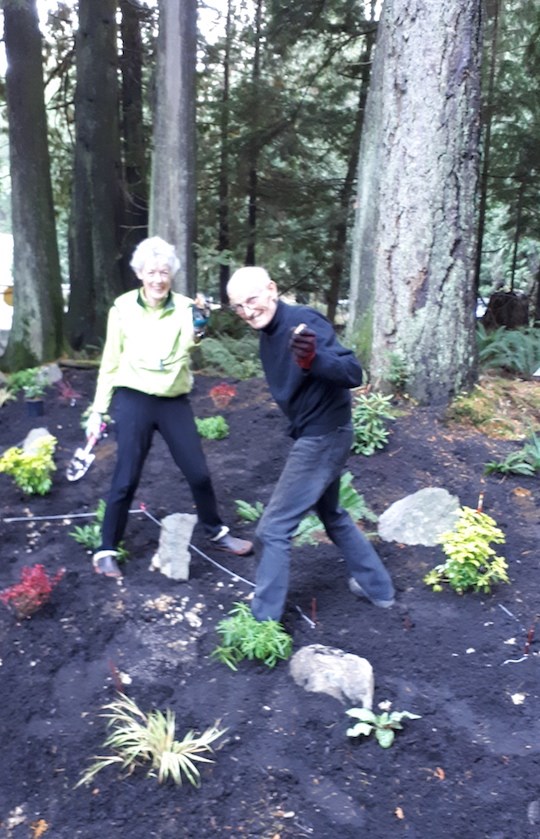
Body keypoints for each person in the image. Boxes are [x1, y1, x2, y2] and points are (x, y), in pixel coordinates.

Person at [226, 266, 395, 621]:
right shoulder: (268, 334)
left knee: (272, 530)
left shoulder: (302, 321)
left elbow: (353, 373)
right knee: (332, 514)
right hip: (316, 433)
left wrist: (314, 359)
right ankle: (379, 589)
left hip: (324, 436)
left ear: (272, 290)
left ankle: (262, 624)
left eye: (252, 299)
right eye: (238, 306)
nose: (247, 311)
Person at [85, 236, 253, 577]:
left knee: (199, 472)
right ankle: (105, 549)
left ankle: (216, 532)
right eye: (151, 272)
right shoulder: (122, 308)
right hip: (134, 399)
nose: (158, 279)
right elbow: (110, 362)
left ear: (171, 274)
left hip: (173, 401)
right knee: (126, 477)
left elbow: (194, 339)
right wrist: (98, 410)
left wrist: (201, 321)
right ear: (140, 274)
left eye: (164, 272)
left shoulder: (184, 306)